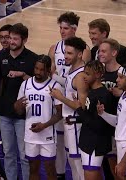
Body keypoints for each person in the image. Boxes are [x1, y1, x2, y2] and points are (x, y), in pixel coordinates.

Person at [47, 12, 90, 179]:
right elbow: (58, 76)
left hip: (74, 116)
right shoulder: (55, 49)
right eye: (60, 28)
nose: (62, 31)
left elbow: (80, 102)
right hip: (64, 108)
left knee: (77, 160)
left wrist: (60, 96)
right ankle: (60, 175)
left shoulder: (80, 66)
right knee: (65, 151)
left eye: (66, 28)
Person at [0, 23, 38, 180]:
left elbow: (38, 83)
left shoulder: (33, 59)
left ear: (24, 40)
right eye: (9, 38)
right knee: (8, 153)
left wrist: (23, 75)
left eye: (15, 38)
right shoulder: (2, 57)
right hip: (4, 113)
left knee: (24, 154)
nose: (11, 41)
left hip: (23, 115)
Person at [14, 55, 63, 180]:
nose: (38, 72)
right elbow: (18, 110)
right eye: (36, 68)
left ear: (48, 71)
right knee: (33, 169)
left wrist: (44, 125)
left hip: (48, 135)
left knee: (50, 169)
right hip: (30, 134)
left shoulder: (55, 86)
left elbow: (59, 114)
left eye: (41, 70)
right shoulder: (25, 85)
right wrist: (18, 105)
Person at [71, 61, 114, 180]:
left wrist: (78, 109)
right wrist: (76, 119)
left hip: (94, 143)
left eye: (88, 74)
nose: (84, 76)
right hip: (89, 141)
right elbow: (90, 116)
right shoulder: (93, 91)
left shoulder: (102, 96)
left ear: (98, 75)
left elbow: (97, 124)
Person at [99, 38, 123, 179]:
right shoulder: (99, 72)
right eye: (99, 51)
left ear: (114, 53)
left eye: (103, 51)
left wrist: (121, 93)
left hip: (117, 126)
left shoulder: (123, 73)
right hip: (102, 125)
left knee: (117, 167)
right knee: (105, 166)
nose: (100, 54)